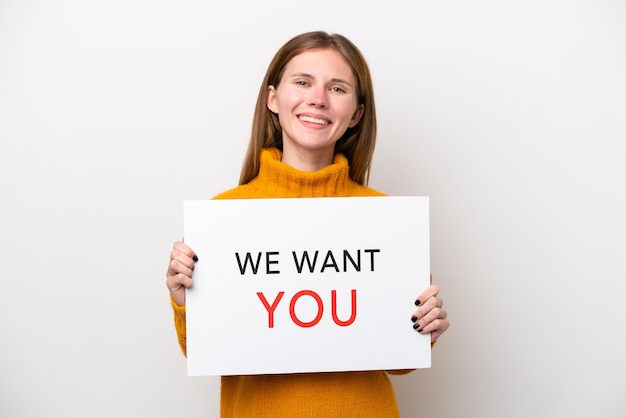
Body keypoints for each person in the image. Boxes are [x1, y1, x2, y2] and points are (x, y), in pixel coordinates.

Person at [166, 30, 450, 417]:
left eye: (337, 88)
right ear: (273, 99)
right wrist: (186, 300)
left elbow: (399, 362)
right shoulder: (224, 218)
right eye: (302, 82)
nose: (318, 98)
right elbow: (205, 351)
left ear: (356, 114)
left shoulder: (386, 221)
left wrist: (422, 326)